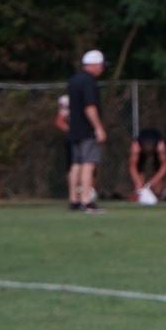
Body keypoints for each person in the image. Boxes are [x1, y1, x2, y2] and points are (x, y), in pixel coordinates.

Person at [66, 49, 107, 213]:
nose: (102, 69)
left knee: (76, 164)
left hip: (74, 129)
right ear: (95, 65)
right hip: (86, 129)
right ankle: (86, 201)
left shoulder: (74, 80)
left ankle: (73, 200)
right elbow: (90, 107)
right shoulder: (89, 81)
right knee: (88, 164)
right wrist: (98, 128)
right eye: (101, 65)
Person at [128, 127, 166, 205]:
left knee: (157, 170)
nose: (148, 149)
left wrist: (152, 182)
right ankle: (139, 194)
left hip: (157, 150)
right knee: (139, 174)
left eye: (149, 147)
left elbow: (165, 165)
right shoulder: (136, 146)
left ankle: (158, 194)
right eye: (146, 147)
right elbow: (132, 167)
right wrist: (139, 184)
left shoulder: (160, 146)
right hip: (140, 151)